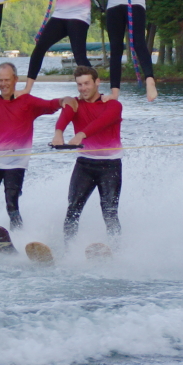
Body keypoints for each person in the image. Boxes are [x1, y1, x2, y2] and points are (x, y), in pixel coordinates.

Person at [0, 62, 78, 245]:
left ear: (16, 80)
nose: (3, 84)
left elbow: (50, 105)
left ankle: (19, 240)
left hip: (16, 163)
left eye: (7, 80)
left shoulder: (27, 102)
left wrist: (64, 99)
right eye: (0, 80)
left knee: (11, 204)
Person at [51, 65, 124, 245]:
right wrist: (58, 133)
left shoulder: (113, 105)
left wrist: (81, 134)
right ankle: (68, 249)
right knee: (73, 209)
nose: (83, 88)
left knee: (109, 211)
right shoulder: (75, 104)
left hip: (110, 165)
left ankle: (116, 249)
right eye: (79, 85)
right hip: (84, 165)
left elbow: (102, 122)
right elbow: (65, 115)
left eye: (86, 83)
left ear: (97, 82)